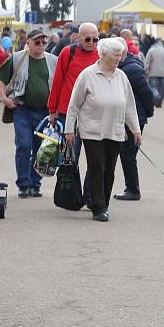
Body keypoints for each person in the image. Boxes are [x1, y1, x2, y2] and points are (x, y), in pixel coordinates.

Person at [64, 38, 141, 222]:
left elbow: (129, 105)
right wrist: (69, 129)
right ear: (103, 54)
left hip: (114, 130)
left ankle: (103, 203)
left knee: (110, 170)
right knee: (97, 167)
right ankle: (98, 207)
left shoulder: (121, 76)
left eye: (121, 54)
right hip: (92, 130)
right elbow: (74, 105)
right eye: (115, 54)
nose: (119, 57)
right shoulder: (87, 75)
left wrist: (136, 130)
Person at [0, 29, 59, 198]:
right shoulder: (17, 58)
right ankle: (23, 184)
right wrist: (4, 98)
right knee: (24, 146)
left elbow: (60, 83)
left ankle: (35, 184)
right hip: (22, 109)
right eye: (37, 42)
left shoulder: (53, 60)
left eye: (44, 42)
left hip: (45, 112)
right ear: (28, 43)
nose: (41, 45)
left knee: (41, 149)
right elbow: (0, 79)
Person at [48, 22, 101, 163]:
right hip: (68, 113)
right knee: (68, 158)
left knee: (96, 160)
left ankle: (91, 186)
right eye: (87, 39)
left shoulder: (101, 54)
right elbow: (57, 82)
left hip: (93, 114)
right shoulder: (67, 52)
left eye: (95, 39)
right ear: (79, 37)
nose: (91, 43)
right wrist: (52, 110)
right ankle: (67, 185)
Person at [113, 41, 155, 201]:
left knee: (128, 155)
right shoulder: (125, 67)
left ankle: (133, 190)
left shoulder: (132, 69)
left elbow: (147, 94)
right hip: (128, 117)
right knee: (126, 155)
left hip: (134, 118)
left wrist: (147, 114)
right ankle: (131, 188)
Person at [145, 38, 164, 108]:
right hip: (163, 73)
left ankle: (157, 97)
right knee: (161, 88)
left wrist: (146, 70)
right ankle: (159, 103)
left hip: (153, 73)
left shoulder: (151, 51)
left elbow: (147, 62)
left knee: (153, 87)